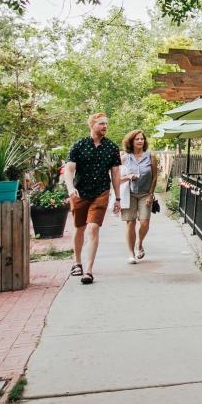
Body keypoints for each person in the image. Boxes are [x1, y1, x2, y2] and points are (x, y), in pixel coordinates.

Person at [63, 112, 122, 285]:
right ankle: (77, 262)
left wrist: (118, 198)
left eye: (106, 124)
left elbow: (116, 173)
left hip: (101, 192)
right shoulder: (79, 145)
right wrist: (70, 188)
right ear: (92, 125)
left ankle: (88, 270)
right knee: (79, 228)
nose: (105, 126)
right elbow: (69, 169)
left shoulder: (111, 147)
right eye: (101, 123)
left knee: (93, 228)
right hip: (80, 192)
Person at [119, 129, 158, 263]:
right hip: (128, 193)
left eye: (142, 139)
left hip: (145, 194)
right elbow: (117, 178)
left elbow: (154, 177)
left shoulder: (150, 156)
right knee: (130, 222)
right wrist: (129, 176)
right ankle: (131, 253)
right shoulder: (124, 158)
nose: (140, 141)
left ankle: (140, 243)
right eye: (137, 139)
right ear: (131, 141)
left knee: (145, 222)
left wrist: (150, 195)